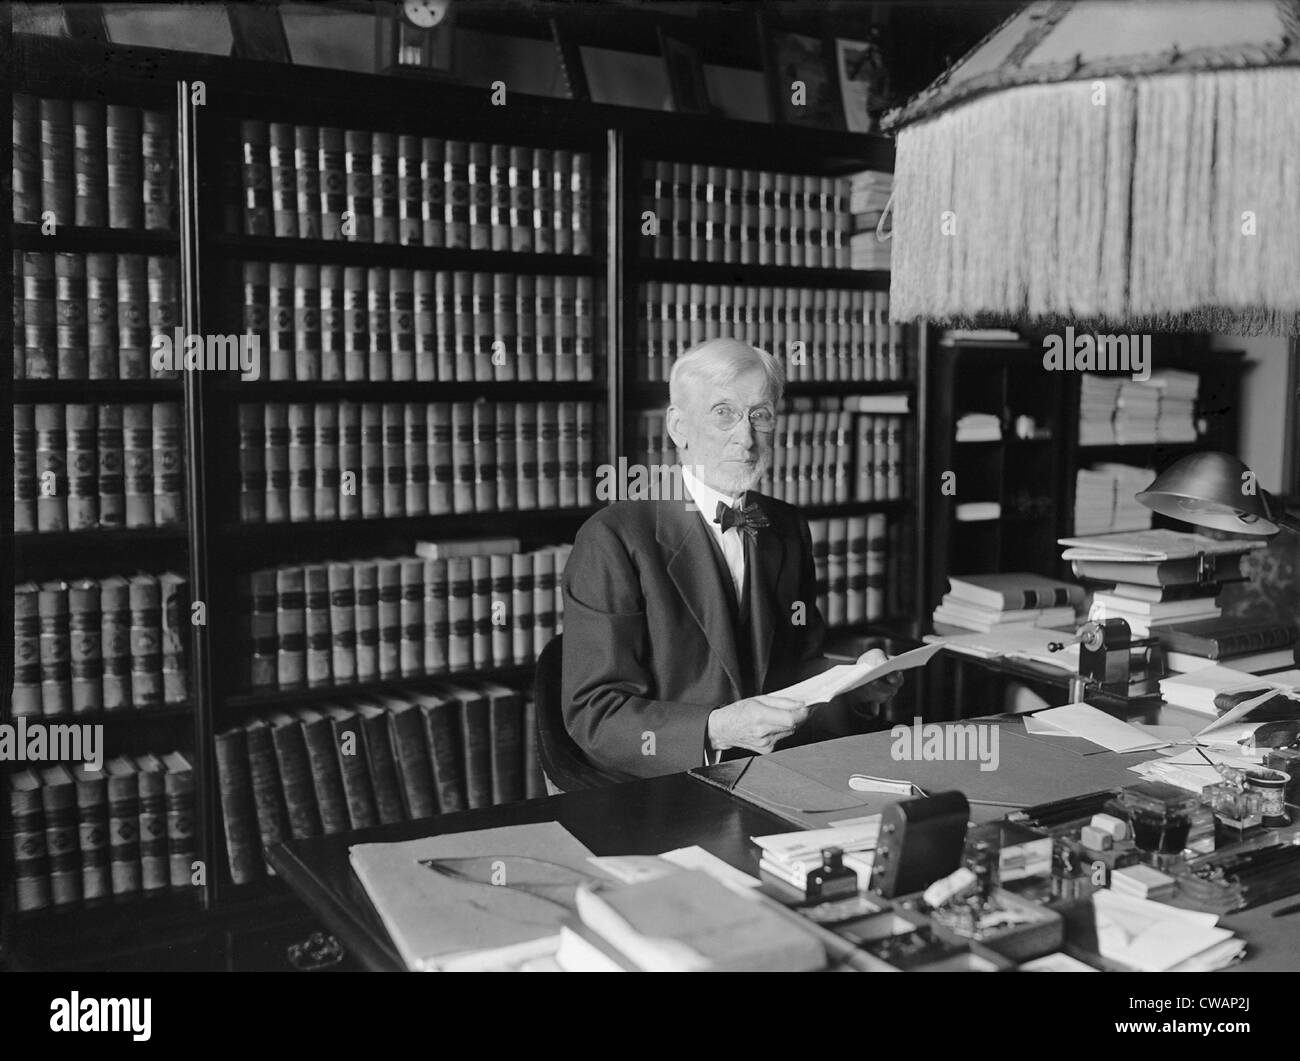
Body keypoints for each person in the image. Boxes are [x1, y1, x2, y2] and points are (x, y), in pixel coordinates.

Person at [561, 337, 902, 779]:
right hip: (660, 789)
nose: (746, 438)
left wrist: (854, 686)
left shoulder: (785, 526)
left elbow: (797, 668)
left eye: (759, 415)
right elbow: (595, 717)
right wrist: (716, 730)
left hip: (774, 775)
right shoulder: (612, 539)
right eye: (723, 413)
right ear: (678, 428)